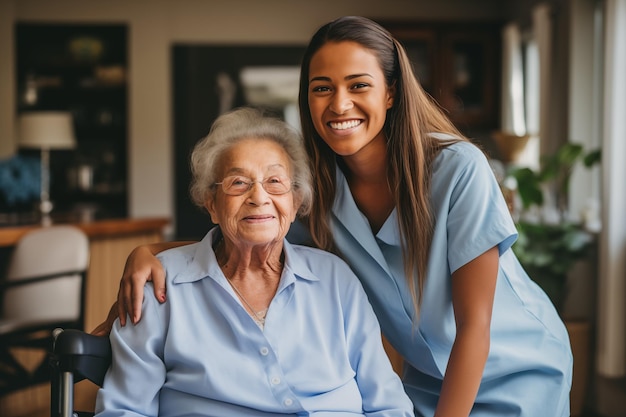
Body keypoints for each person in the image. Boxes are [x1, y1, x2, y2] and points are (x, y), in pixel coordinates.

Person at [96, 16, 573, 417]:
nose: (339, 104)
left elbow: (475, 325)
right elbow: (251, 233)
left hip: (512, 367)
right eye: (322, 88)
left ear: (390, 93)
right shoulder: (318, 193)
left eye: (358, 85)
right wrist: (150, 252)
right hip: (429, 377)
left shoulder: (456, 170)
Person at [94, 107, 414, 417]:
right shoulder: (162, 286)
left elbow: (386, 402)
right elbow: (125, 409)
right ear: (212, 205)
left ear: (295, 201)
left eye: (275, 182)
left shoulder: (335, 278)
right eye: (238, 183)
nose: (259, 197)